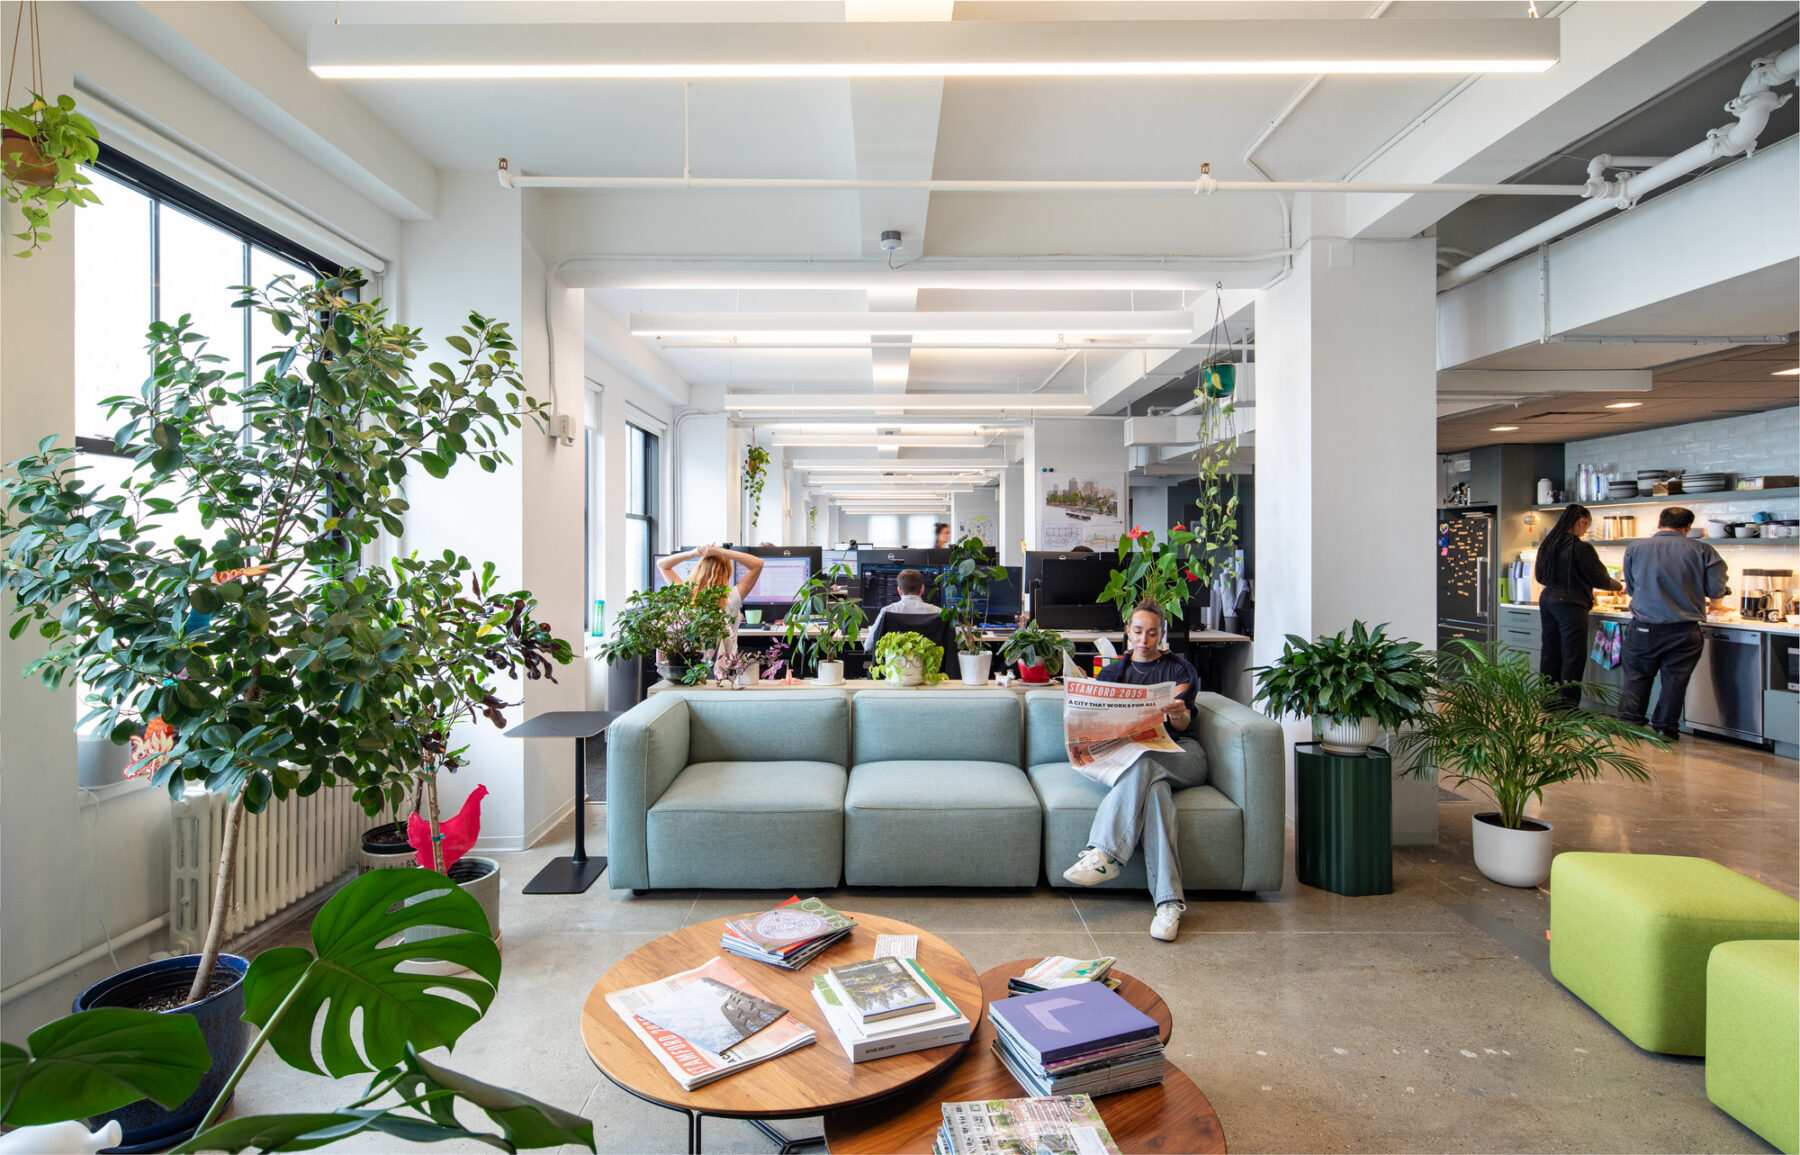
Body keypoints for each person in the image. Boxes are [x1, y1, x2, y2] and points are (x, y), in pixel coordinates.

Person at [1062, 599, 1206, 943]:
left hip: (1183, 754)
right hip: (1139, 760)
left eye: (1152, 633)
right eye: (1138, 631)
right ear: (1128, 630)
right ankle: (1169, 905)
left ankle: (1105, 852)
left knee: (1145, 761)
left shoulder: (1179, 670)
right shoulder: (1113, 674)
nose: (1144, 639)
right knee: (1154, 789)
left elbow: (1186, 721)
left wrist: (1176, 714)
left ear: (1161, 635)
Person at [1619, 507, 1730, 741]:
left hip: (1643, 628)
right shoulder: (1703, 550)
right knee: (1675, 681)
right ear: (1688, 528)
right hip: (1684, 631)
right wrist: (1715, 603)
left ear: (1659, 523)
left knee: (1637, 677)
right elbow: (1716, 589)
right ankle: (1664, 729)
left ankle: (1630, 725)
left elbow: (1630, 587)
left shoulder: (1635, 548)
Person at [1535, 504, 1623, 709]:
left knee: (1550, 652)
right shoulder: (1581, 548)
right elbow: (1600, 578)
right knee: (1573, 656)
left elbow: (1539, 576)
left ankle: (1548, 702)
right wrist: (1618, 586)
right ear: (1582, 521)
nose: (1586, 531)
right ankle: (1567, 707)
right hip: (1570, 604)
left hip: (1547, 599)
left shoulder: (1548, 544)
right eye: (1587, 526)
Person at [656, 544, 764, 673]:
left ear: (699, 568)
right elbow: (758, 564)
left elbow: (662, 565)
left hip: (688, 670)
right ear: (727, 571)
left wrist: (694, 553)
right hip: (724, 670)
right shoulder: (732, 597)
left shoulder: (685, 594)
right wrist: (721, 552)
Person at [869, 568, 939, 634]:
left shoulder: (887, 611)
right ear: (922, 589)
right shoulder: (938, 613)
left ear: (899, 590)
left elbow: (869, 645)